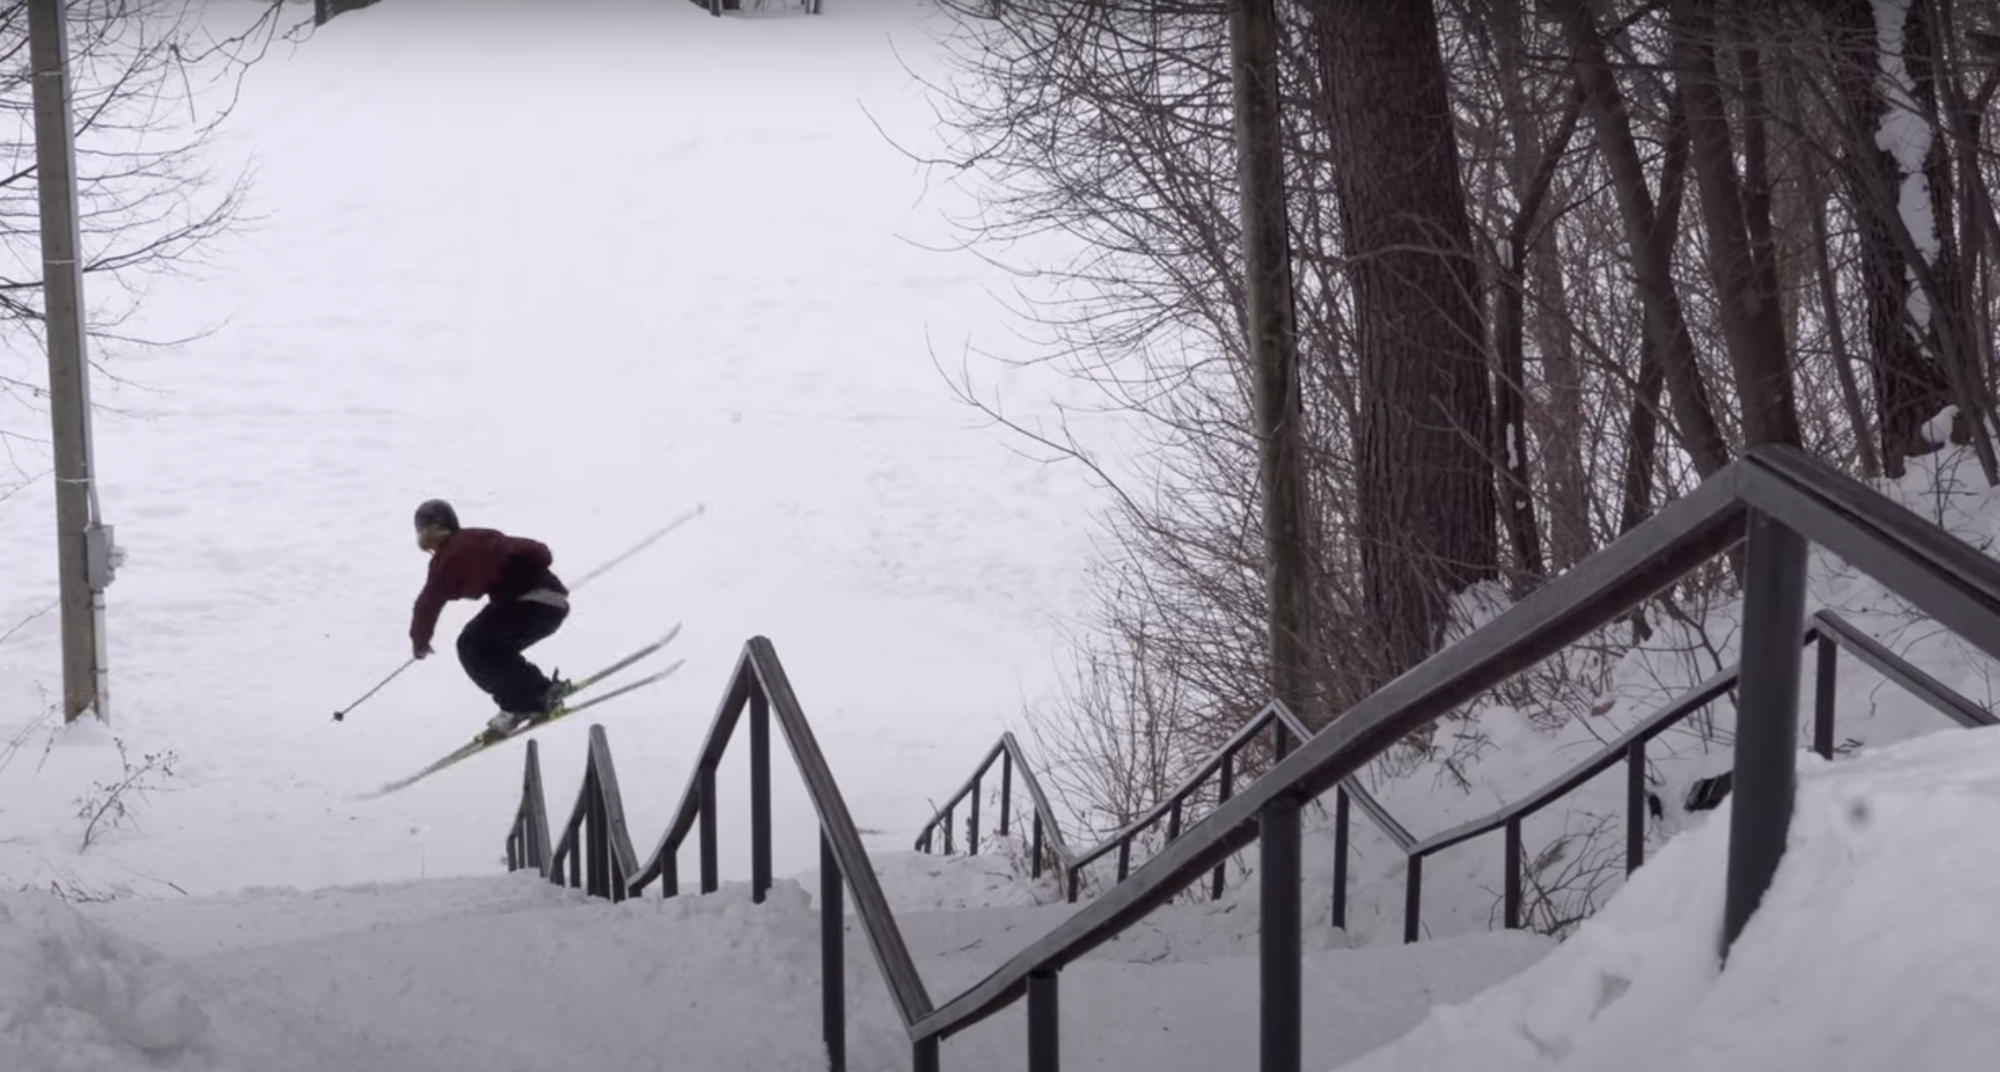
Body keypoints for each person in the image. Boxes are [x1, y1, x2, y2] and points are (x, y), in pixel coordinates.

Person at [408, 499, 571, 737]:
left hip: (527, 603)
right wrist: (523, 569)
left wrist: (420, 642)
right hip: (554, 605)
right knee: (494, 651)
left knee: (471, 646)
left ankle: (522, 704)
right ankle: (540, 693)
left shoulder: (446, 559)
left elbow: (427, 604)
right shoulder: (481, 536)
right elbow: (539, 550)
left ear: (429, 532)